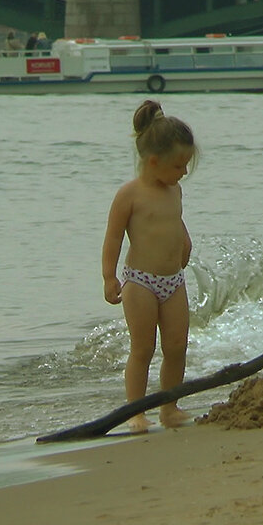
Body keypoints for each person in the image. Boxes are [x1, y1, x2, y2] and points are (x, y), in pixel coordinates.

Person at [101, 100, 198, 432]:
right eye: (178, 165)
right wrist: (108, 277)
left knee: (176, 346)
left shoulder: (175, 190)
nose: (183, 172)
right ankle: (137, 411)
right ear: (153, 161)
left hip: (174, 281)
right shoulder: (130, 195)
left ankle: (169, 407)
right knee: (142, 348)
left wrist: (186, 242)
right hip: (139, 282)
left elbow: (176, 222)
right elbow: (113, 238)